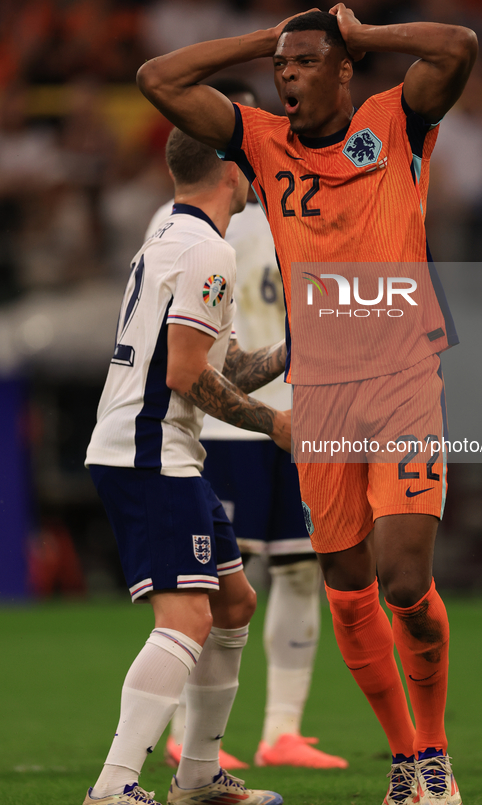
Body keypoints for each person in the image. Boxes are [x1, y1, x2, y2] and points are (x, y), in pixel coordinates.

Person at [137, 6, 478, 805]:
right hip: (318, 394)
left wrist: (367, 36)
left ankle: (434, 750)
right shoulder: (259, 139)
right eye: (280, 66)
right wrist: (263, 40)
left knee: (402, 583)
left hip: (402, 381)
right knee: (345, 578)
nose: (286, 76)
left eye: (303, 62)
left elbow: (457, 45)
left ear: (342, 69)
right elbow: (158, 79)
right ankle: (404, 762)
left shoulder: (393, 123)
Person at [84, 126, 291, 805]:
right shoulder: (209, 249)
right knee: (187, 620)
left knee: (234, 603)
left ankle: (198, 775)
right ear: (232, 169)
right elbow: (183, 372)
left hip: (160, 449)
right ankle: (115, 784)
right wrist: (275, 425)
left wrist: (294, 350)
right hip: (150, 452)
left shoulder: (175, 236)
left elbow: (223, 364)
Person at [147, 78, 347, 771]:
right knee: (217, 583)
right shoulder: (192, 222)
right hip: (228, 423)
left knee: (297, 571)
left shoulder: (302, 208)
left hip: (299, 412)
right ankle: (184, 731)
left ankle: (281, 732)